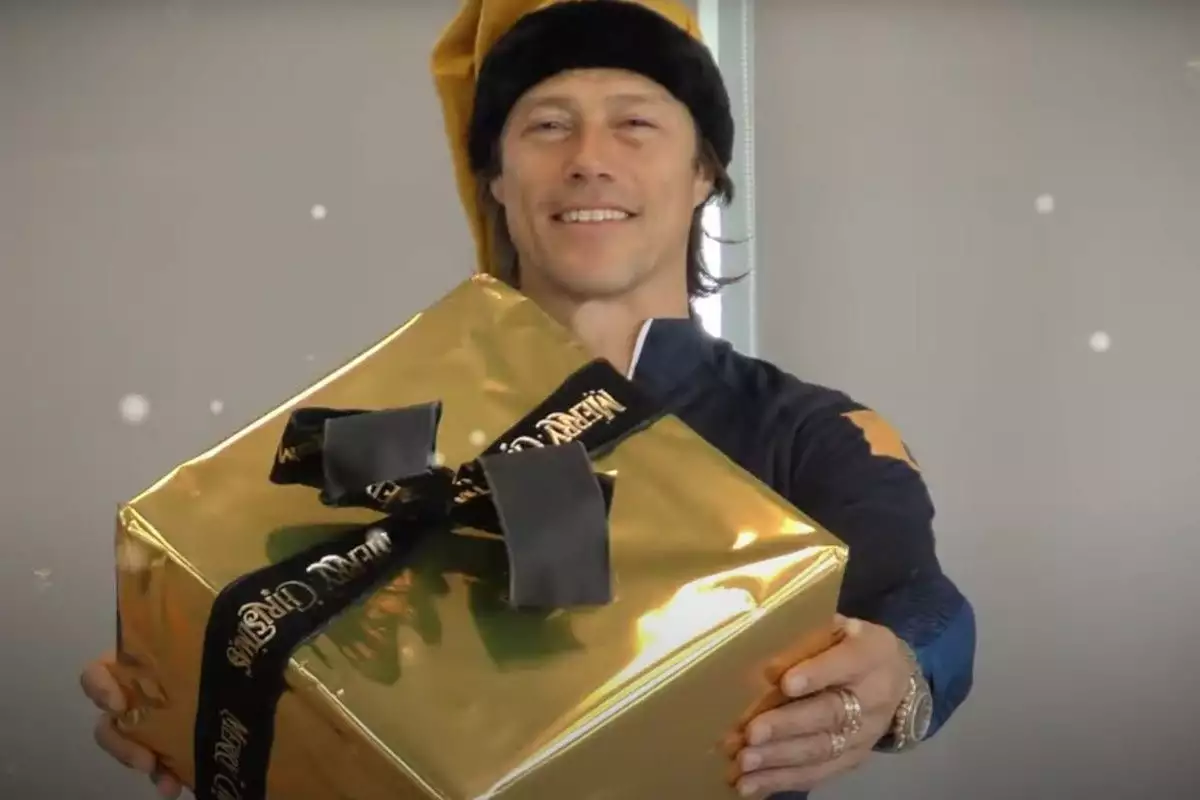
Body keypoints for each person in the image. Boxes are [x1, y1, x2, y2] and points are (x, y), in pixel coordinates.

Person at [81, 1, 977, 797]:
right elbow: (264, 611)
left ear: (705, 169)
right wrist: (185, 694)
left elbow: (924, 603)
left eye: (635, 122)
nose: (589, 160)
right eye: (548, 125)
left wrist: (901, 674)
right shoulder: (379, 428)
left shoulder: (813, 431)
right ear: (497, 179)